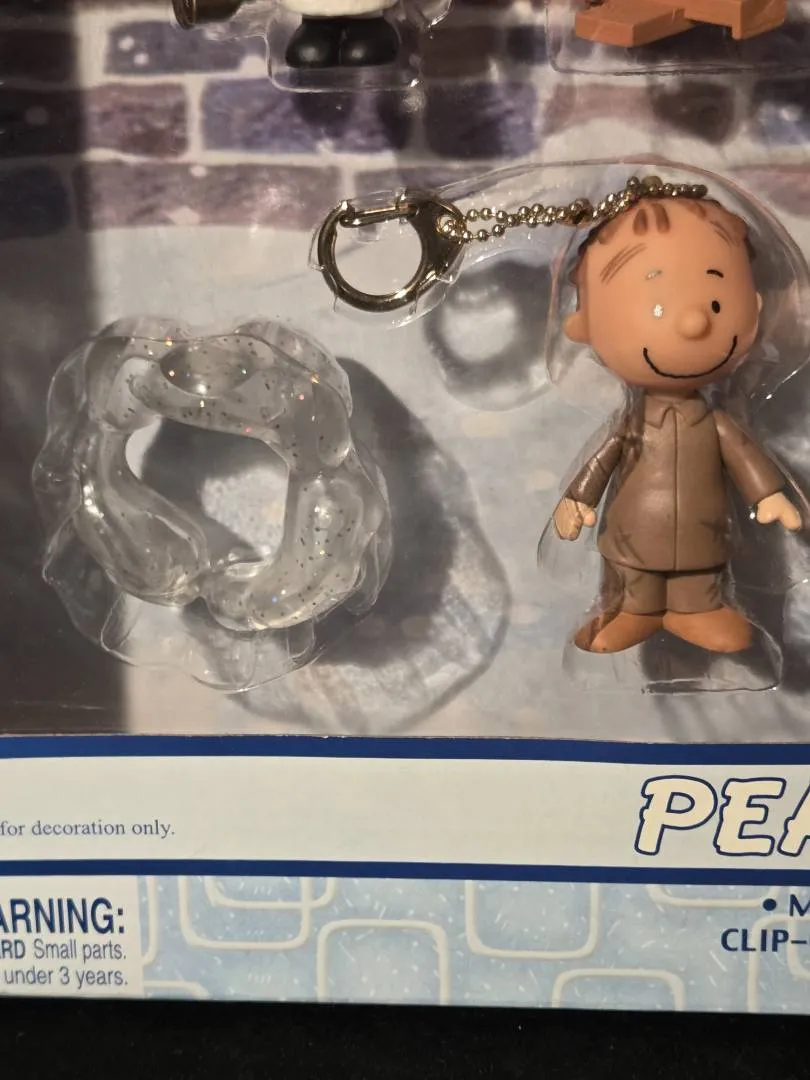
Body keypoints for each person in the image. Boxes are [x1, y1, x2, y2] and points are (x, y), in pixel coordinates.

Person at [553, 192, 802, 654]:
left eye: (716, 300)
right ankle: (633, 611)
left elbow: (744, 456)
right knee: (633, 569)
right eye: (656, 302)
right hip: (635, 528)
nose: (693, 322)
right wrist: (577, 499)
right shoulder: (630, 425)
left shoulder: (717, 423)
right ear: (582, 325)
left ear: (755, 306)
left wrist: (767, 495)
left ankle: (697, 610)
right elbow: (603, 460)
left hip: (702, 528)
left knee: (700, 571)